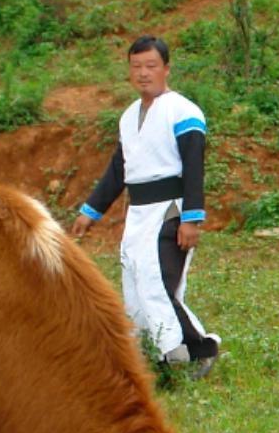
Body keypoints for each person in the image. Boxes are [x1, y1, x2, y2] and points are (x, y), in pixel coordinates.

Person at [71, 34, 220, 376]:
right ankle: (164, 358)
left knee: (157, 284)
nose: (143, 73)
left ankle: (200, 348)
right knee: (136, 285)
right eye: (136, 66)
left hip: (171, 208)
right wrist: (91, 211)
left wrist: (192, 219)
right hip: (138, 213)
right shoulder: (128, 117)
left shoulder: (184, 112)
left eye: (151, 66)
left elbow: (193, 166)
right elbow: (118, 170)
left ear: (166, 69)